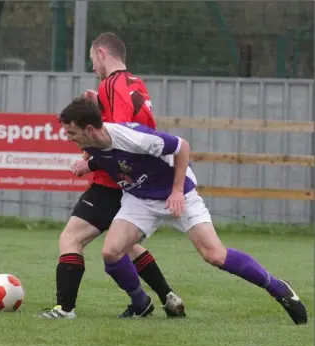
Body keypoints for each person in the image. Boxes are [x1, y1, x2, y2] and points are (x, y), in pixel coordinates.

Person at [57, 95, 308, 324]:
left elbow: (181, 147)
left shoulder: (133, 137)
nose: (68, 137)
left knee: (214, 255)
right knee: (111, 253)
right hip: (140, 200)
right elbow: (111, 158)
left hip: (178, 195)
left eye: (71, 132)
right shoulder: (92, 142)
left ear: (89, 129)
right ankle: (140, 303)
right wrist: (89, 166)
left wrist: (176, 191)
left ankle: (277, 288)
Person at [37, 33, 185, 319]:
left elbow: (116, 135)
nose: (93, 67)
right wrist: (97, 103)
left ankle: (65, 308)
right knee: (125, 244)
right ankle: (166, 296)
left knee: (71, 238)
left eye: (92, 59)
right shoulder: (134, 83)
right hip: (133, 179)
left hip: (112, 179)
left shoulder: (111, 84)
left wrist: (91, 163)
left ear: (102, 54)